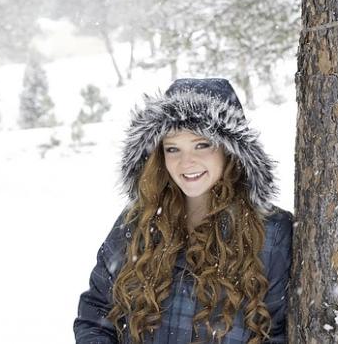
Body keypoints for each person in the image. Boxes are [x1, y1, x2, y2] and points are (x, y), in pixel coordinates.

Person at [74, 78, 292, 343]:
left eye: (202, 145)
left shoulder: (272, 232)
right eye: (173, 149)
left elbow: (277, 333)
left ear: (230, 150)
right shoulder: (138, 221)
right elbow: (96, 314)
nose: (186, 162)